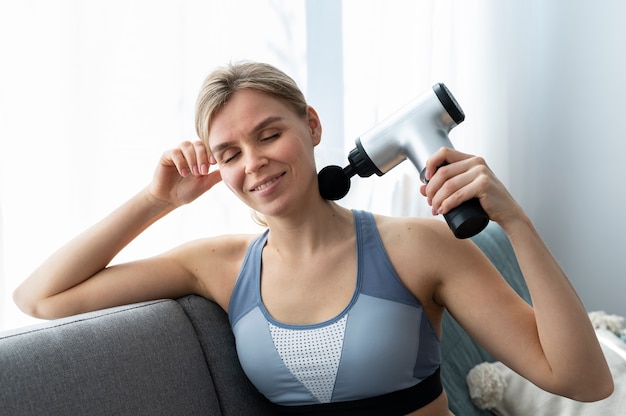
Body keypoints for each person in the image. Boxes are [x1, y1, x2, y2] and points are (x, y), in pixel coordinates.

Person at [13, 61, 613, 415]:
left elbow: (583, 381)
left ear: (312, 125)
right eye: (229, 154)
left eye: (269, 134)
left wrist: (516, 223)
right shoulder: (218, 266)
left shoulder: (418, 247)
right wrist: (154, 201)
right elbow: (41, 297)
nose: (254, 163)